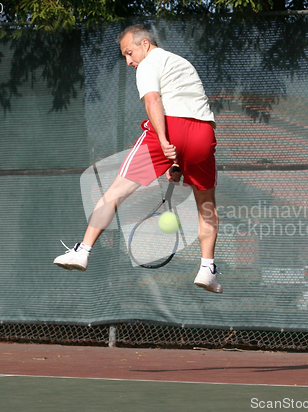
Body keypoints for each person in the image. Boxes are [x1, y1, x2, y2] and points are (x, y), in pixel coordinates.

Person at [53, 24, 222, 293]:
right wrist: (176, 163)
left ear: (145, 44)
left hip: (169, 128)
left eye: (129, 53)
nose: (129, 61)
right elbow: (189, 110)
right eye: (125, 57)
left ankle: (82, 251)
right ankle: (207, 268)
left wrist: (165, 141)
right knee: (207, 205)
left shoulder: (148, 63)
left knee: (115, 193)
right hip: (203, 134)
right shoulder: (182, 63)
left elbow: (153, 101)